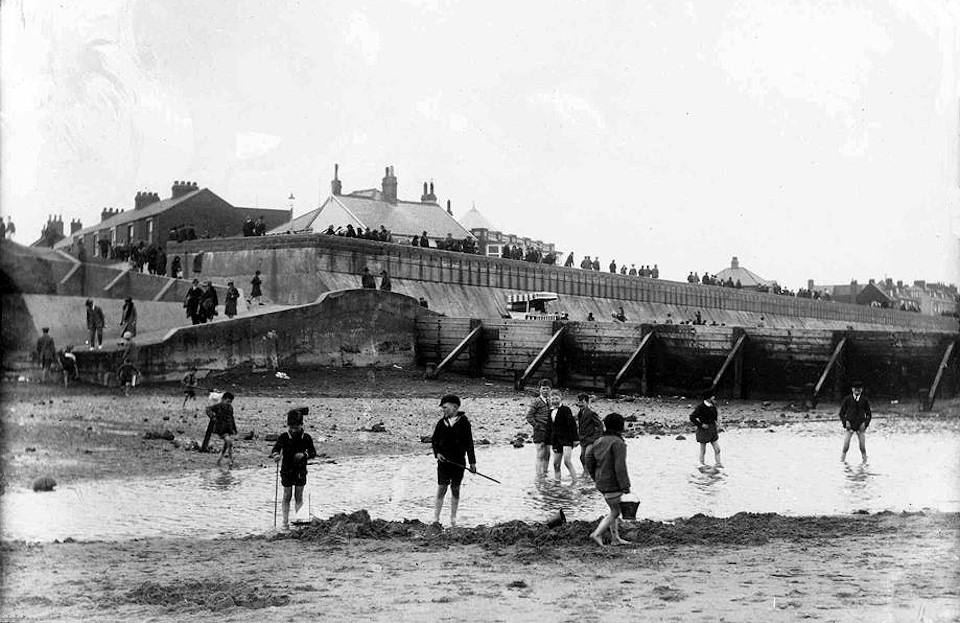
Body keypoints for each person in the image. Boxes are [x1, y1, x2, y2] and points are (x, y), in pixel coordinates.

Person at [584, 412, 631, 546]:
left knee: (613, 509)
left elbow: (589, 459)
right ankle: (597, 534)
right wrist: (625, 486)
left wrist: (595, 477)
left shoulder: (598, 441)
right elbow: (620, 467)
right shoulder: (618, 442)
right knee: (616, 512)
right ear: (620, 426)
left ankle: (615, 538)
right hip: (613, 483)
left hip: (601, 482)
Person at [431, 394, 476, 527]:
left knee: (455, 488)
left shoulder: (464, 422)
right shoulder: (441, 423)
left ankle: (453, 518)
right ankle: (436, 518)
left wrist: (472, 463)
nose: (443, 410)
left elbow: (469, 444)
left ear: (455, 407)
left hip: (459, 462)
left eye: (445, 407)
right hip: (443, 462)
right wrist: (437, 454)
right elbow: (434, 441)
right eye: (442, 408)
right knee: (441, 488)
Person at [270, 407, 318, 529]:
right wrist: (276, 456)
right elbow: (275, 449)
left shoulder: (306, 437)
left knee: (299, 495)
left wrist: (304, 455)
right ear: (288, 426)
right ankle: (285, 522)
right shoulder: (284, 437)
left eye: (296, 428)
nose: (293, 430)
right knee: (287, 495)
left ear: (302, 425)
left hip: (300, 469)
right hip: (286, 469)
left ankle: (299, 520)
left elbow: (313, 452)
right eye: (291, 428)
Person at [525, 379, 553, 477]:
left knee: (548, 453)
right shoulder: (536, 401)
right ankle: (539, 475)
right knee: (540, 453)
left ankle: (545, 473)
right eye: (543, 388)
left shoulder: (551, 402)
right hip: (539, 431)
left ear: (550, 390)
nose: (545, 391)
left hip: (549, 431)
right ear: (539, 389)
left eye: (547, 389)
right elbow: (529, 416)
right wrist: (537, 426)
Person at [548, 389, 578, 480]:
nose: (555, 401)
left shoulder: (566, 410)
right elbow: (549, 427)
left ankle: (575, 481)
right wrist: (548, 440)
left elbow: (572, 425)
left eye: (557, 398)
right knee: (556, 464)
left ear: (560, 398)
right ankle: (557, 483)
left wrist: (576, 439)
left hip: (567, 439)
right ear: (550, 400)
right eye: (553, 399)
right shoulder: (550, 411)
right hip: (556, 440)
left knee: (567, 461)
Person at [839, 381, 871, 462]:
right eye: (855, 389)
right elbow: (841, 413)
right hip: (850, 426)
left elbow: (869, 415)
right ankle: (842, 461)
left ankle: (865, 462)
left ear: (862, 390)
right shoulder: (847, 399)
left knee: (862, 447)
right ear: (852, 389)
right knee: (845, 446)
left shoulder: (864, 400)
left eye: (859, 389)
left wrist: (865, 424)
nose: (857, 390)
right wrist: (845, 422)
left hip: (861, 426)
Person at [689, 390, 722, 467]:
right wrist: (700, 425)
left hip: (712, 429)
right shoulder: (700, 407)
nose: (714, 397)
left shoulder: (713, 406)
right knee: (703, 450)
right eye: (712, 396)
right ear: (708, 398)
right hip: (703, 430)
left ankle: (718, 464)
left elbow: (715, 418)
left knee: (717, 449)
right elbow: (692, 417)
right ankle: (702, 464)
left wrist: (718, 423)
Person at [205, 392, 237, 466]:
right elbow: (208, 409)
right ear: (223, 399)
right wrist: (213, 417)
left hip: (228, 428)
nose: (229, 403)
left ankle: (219, 460)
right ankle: (231, 460)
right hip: (221, 428)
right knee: (230, 442)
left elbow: (232, 418)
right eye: (228, 401)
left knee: (226, 445)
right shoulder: (218, 406)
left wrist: (234, 428)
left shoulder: (230, 408)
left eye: (231, 402)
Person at [576, 393, 603, 474]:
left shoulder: (591, 413)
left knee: (588, 456)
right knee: (582, 457)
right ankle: (585, 472)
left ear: (587, 403)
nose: (580, 404)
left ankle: (592, 473)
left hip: (591, 440)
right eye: (579, 402)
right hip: (583, 439)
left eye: (582, 402)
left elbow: (600, 426)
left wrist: (595, 437)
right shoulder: (579, 414)